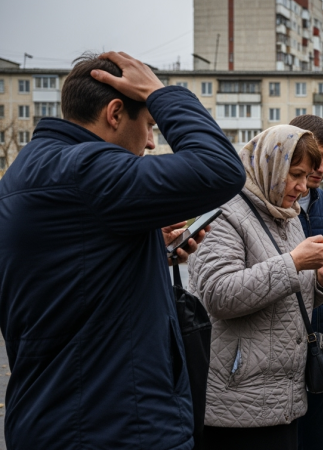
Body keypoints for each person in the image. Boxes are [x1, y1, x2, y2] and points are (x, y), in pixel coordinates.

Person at [0, 52, 246, 449]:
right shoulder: (88, 169)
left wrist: (152, 246)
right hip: (113, 426)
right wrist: (161, 94)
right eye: (149, 125)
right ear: (115, 113)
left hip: (58, 416)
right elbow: (221, 169)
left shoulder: (28, 171)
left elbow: (70, 279)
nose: (151, 141)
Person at [188, 125, 323, 450]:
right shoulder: (224, 214)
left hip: (282, 398)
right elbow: (219, 295)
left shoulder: (284, 215)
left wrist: (320, 278)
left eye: (306, 177)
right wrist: (294, 263)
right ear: (268, 165)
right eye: (295, 175)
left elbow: (287, 297)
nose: (303, 188)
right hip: (237, 401)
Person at [288, 114, 323, 450]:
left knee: (314, 436)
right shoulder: (272, 199)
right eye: (317, 156)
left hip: (321, 333)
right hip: (284, 336)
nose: (322, 167)